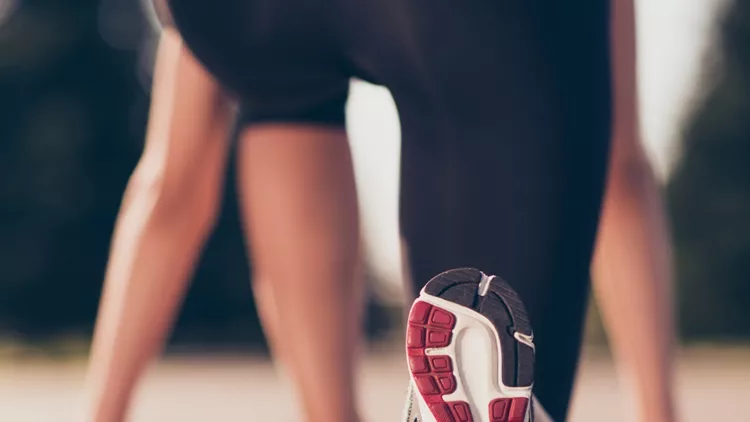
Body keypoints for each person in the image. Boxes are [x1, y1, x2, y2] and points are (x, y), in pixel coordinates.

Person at [81, 0, 678, 421]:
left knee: (281, 90)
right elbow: (617, 173)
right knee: (487, 371)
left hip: (235, 17)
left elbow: (172, 191)